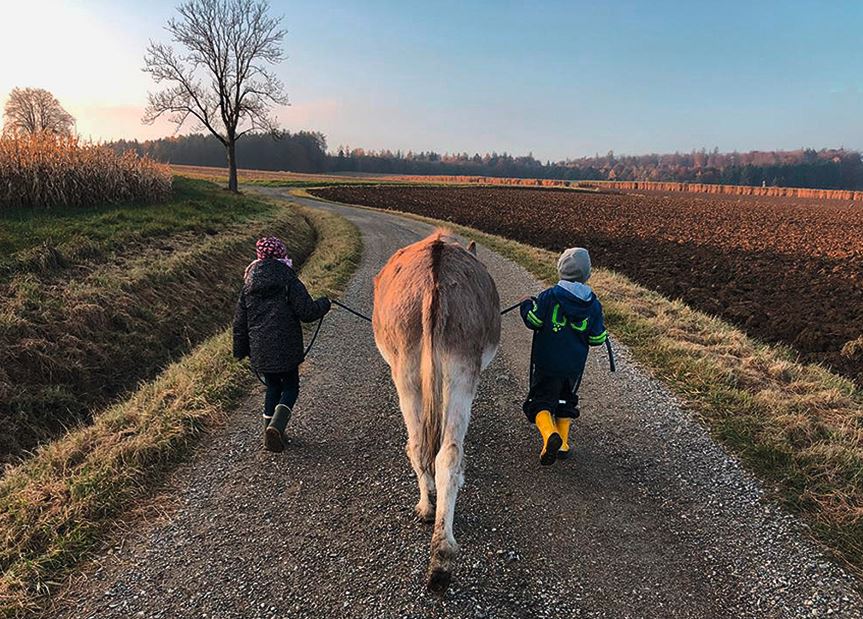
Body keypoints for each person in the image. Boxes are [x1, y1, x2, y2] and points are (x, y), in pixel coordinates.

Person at [232, 236, 331, 453]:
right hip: (286, 348)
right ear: (281, 255)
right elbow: (307, 312)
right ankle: (277, 428)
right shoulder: (288, 278)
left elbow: (239, 322)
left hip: (260, 350)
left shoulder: (248, 283)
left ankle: (271, 431)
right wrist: (325, 303)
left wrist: (241, 350)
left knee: (273, 387)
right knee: (291, 387)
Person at [519, 247, 607, 465]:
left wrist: (526, 304)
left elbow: (534, 321)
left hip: (546, 363)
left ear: (560, 270)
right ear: (588, 274)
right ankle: (564, 444)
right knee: (565, 400)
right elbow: (597, 339)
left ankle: (550, 435)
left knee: (540, 401)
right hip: (572, 368)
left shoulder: (549, 297)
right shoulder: (594, 305)